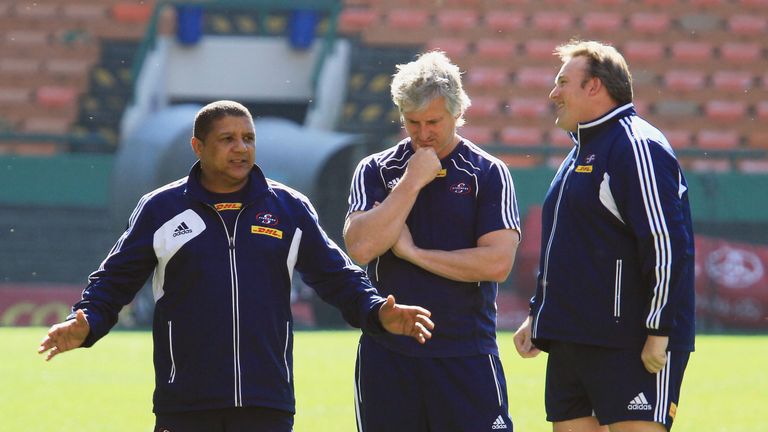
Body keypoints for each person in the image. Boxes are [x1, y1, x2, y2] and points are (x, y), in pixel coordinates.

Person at [38, 100, 435, 432]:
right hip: (186, 402)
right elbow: (115, 279)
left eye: (248, 139)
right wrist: (87, 319)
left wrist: (377, 309)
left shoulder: (288, 209)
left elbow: (337, 276)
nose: (241, 148)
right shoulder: (161, 208)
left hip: (268, 401)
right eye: (227, 139)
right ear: (198, 146)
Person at [513, 40, 695, 432]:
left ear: (595, 86)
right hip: (571, 340)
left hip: (630, 343)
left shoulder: (636, 144)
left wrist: (658, 331)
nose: (553, 93)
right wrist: (538, 313)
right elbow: (565, 246)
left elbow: (665, 244)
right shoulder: (578, 152)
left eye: (563, 82)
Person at [344, 51, 521, 431]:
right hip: (387, 354)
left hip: (466, 352)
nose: (423, 134)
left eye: (433, 122)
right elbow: (360, 248)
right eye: (412, 122)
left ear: (458, 113)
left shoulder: (488, 172)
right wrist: (411, 181)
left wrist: (413, 253)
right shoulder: (376, 169)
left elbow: (497, 264)